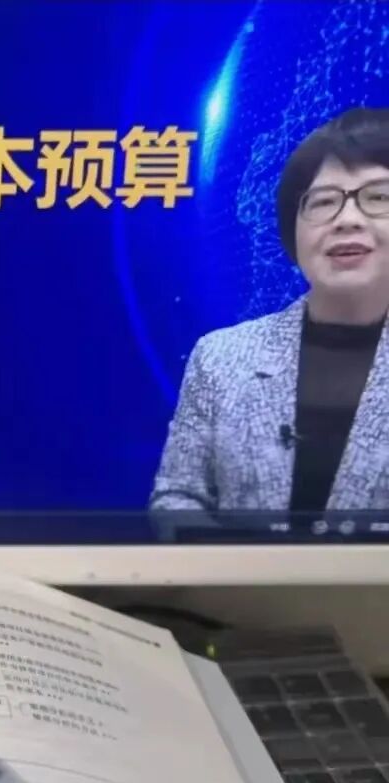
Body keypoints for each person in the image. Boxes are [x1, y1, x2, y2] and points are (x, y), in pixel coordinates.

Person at [150, 106, 389, 518]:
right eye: (323, 202)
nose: (347, 219)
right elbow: (178, 495)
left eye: (378, 197)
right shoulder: (221, 358)